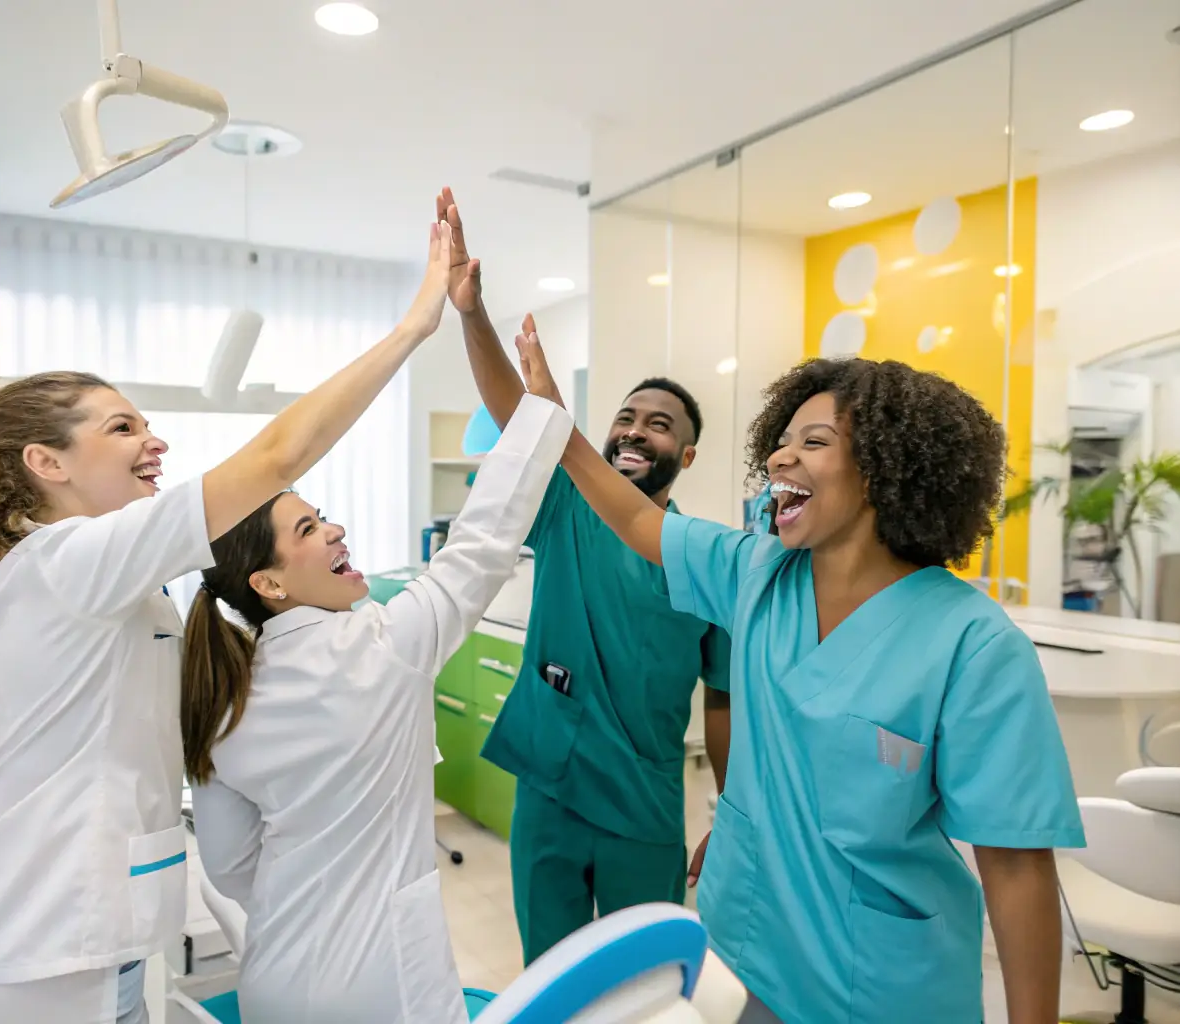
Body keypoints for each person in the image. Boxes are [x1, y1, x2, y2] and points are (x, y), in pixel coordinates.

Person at [0, 222, 457, 1024]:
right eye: (122, 428)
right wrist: (413, 326)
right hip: (43, 959)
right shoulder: (62, 562)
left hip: (92, 947)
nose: (154, 441)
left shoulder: (111, 583)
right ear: (46, 462)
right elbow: (273, 462)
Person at [511, 325, 1085, 1024]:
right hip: (736, 952)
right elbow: (632, 514)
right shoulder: (754, 574)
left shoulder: (975, 646)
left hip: (879, 988)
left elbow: (1017, 866)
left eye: (813, 442)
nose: (780, 455)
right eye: (781, 441)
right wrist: (558, 424)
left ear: (886, 467)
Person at [183, 391, 572, 1024]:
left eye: (321, 517)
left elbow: (229, 868)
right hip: (384, 986)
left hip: (274, 981)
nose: (334, 529)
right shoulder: (384, 646)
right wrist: (540, 413)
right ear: (269, 583)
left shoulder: (222, 696)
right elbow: (481, 543)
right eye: (308, 530)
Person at [437, 188, 732, 965]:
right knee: (551, 974)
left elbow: (723, 700)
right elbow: (520, 418)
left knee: (641, 983)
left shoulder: (703, 557)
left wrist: (729, 810)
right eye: (625, 418)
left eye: (658, 425)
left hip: (642, 803)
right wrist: (471, 314)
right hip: (550, 789)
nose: (633, 431)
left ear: (686, 456)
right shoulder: (568, 504)